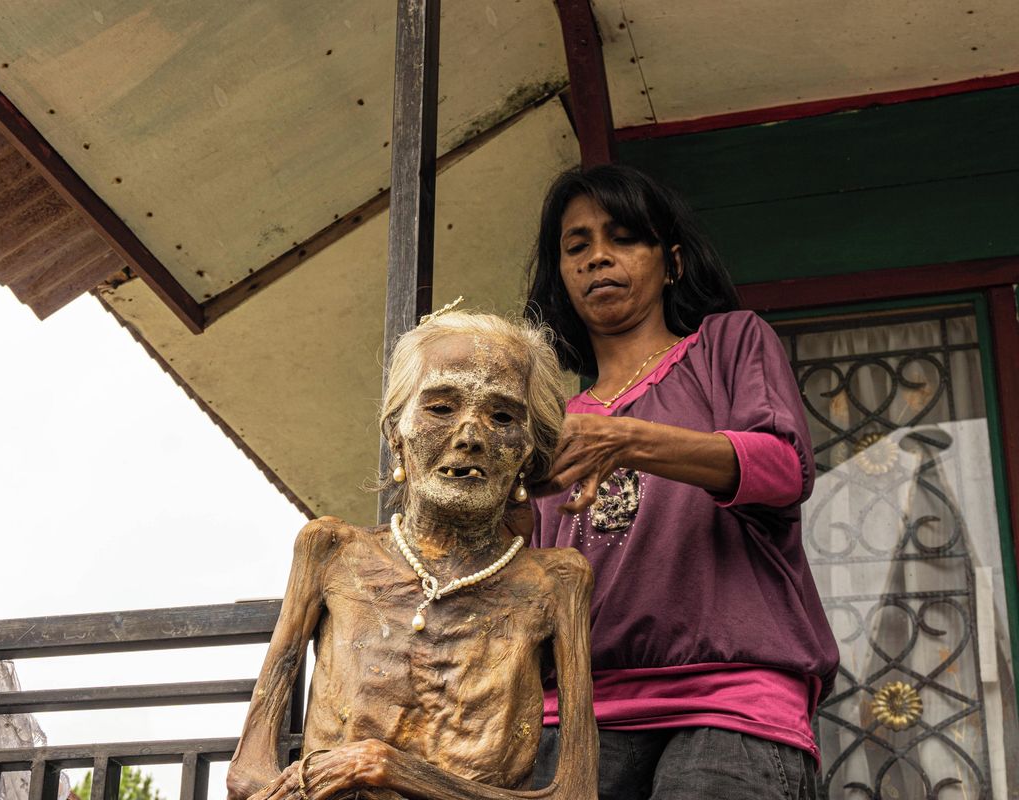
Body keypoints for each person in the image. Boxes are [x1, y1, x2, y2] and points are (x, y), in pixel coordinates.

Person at [524, 164, 839, 800]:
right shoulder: (551, 425)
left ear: (671, 263)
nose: (597, 258)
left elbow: (784, 467)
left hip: (732, 700)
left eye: (622, 238)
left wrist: (627, 439)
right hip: (578, 713)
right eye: (577, 246)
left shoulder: (727, 344)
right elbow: (528, 578)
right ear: (560, 277)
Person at [226, 310, 599, 800]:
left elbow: (576, 793)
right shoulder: (331, 551)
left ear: (529, 451)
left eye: (503, 417)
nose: (470, 436)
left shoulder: (556, 583)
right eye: (441, 408)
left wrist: (386, 768)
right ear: (396, 432)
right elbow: (247, 772)